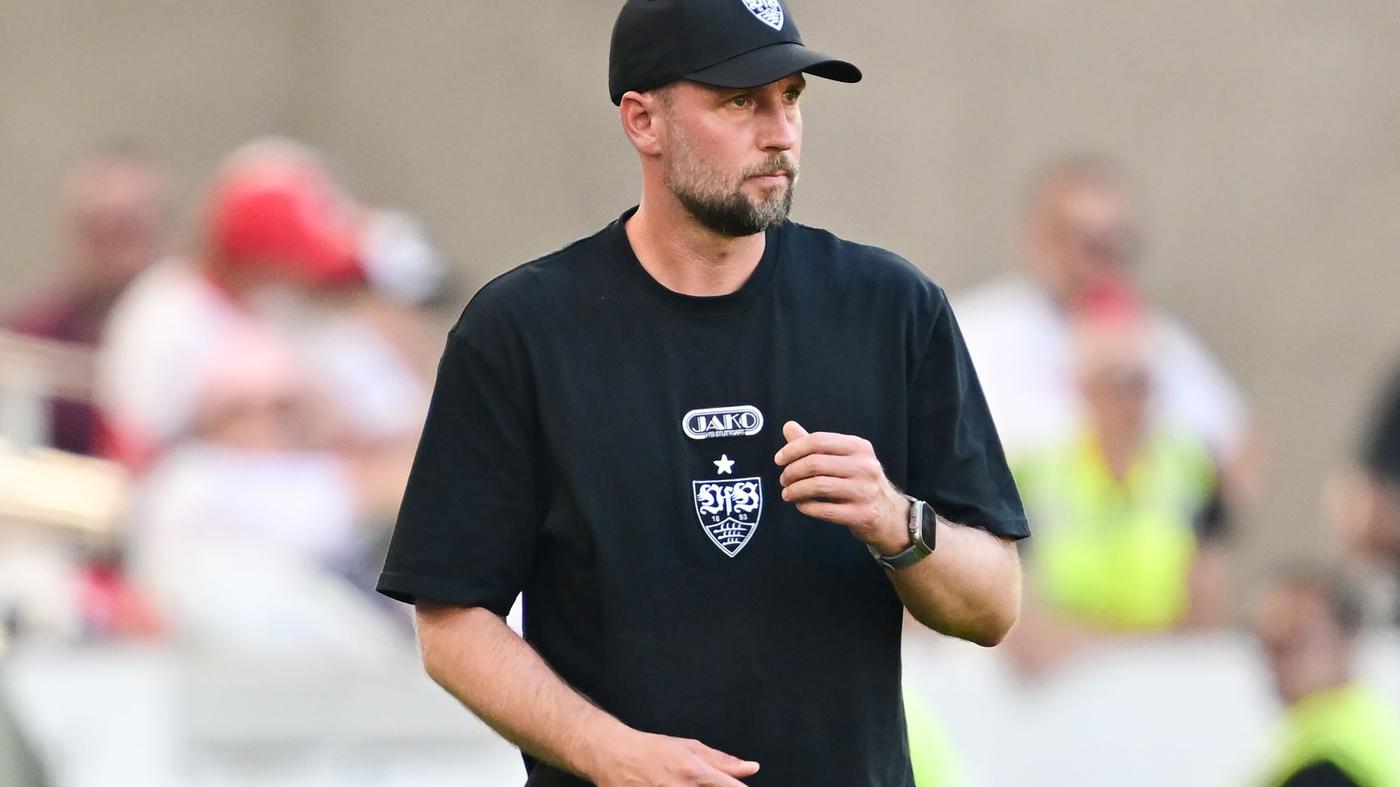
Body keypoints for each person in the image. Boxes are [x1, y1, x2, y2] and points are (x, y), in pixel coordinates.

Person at [377, 1, 1027, 785]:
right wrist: (607, 752)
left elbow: (994, 605)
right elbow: (450, 621)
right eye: (739, 101)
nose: (780, 133)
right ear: (642, 121)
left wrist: (897, 520)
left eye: (791, 97)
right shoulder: (522, 330)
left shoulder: (890, 308)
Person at [954, 155, 1254, 500]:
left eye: (1117, 243)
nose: (1100, 260)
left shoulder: (1154, 339)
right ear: (1038, 238)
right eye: (1084, 241)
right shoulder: (975, 334)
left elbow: (1238, 450)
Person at [1004, 279, 1231, 674]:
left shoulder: (1190, 466)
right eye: (1117, 382)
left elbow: (1208, 593)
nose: (1131, 401)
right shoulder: (1035, 472)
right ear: (1084, 386)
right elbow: (1018, 607)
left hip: (1161, 667)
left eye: (1142, 383)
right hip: (1064, 675)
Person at [4, 143, 165, 454]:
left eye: (127, 230)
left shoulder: (201, 338)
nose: (115, 252)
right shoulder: (31, 336)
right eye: (101, 228)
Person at [1251, 566, 1400, 786]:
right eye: (1271, 644)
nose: (1279, 660)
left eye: (1297, 638)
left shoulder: (1335, 757)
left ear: (1346, 639)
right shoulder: (1362, 729)